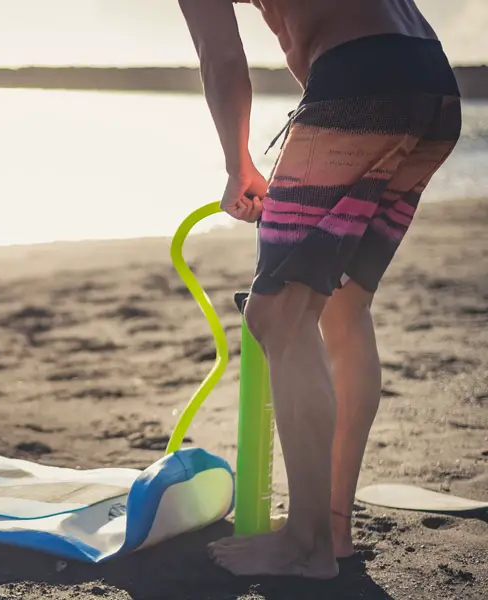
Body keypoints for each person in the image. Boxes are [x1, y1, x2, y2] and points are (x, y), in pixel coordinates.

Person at [178, 0, 462, 580]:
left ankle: (304, 543)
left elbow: (222, 58)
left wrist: (239, 165)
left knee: (278, 314)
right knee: (343, 303)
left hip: (360, 83)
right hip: (432, 82)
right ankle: (332, 530)